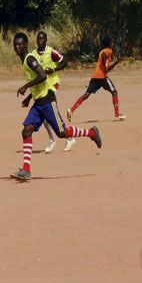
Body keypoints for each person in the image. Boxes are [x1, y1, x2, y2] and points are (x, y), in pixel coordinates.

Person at [10, 32, 102, 181]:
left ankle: (91, 133)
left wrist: (25, 87)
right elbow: (38, 81)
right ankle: (26, 170)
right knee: (26, 131)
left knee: (61, 132)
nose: (17, 47)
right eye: (15, 44)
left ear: (26, 45)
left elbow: (42, 76)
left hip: (47, 101)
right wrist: (28, 98)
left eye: (20, 44)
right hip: (38, 103)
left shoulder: (29, 59)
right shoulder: (27, 59)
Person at [26, 31, 76, 153]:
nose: (40, 40)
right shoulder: (33, 54)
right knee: (46, 114)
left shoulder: (52, 52)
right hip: (42, 85)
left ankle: (58, 137)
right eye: (38, 38)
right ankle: (61, 137)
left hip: (52, 84)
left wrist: (54, 69)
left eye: (42, 38)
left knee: (47, 110)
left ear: (46, 40)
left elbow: (64, 62)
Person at [69, 37, 125, 121]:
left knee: (86, 95)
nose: (112, 44)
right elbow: (104, 60)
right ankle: (117, 115)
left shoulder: (101, 51)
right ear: (109, 43)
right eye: (111, 43)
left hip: (95, 76)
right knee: (114, 92)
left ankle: (71, 110)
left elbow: (107, 67)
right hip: (102, 77)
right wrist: (105, 66)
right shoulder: (108, 51)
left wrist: (116, 63)